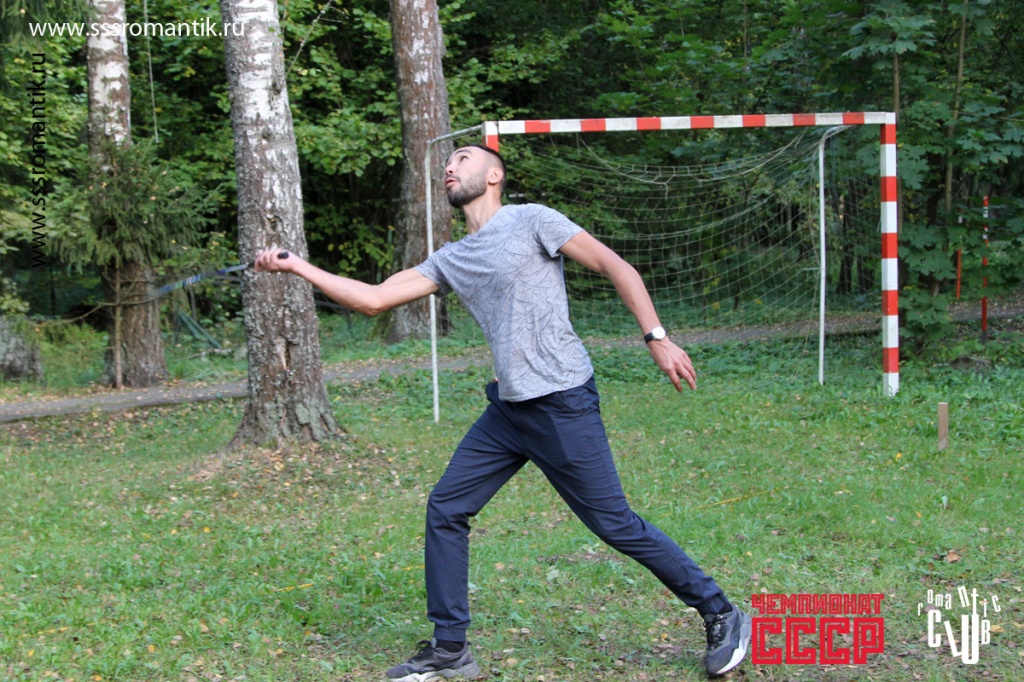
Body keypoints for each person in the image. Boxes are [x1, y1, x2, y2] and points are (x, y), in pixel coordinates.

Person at [254, 144, 752, 680]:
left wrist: (656, 337)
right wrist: (297, 266)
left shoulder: (531, 220)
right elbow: (372, 298)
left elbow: (614, 265)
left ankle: (721, 612)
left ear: (494, 175)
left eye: (462, 158)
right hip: (509, 410)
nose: (450, 166)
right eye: (447, 162)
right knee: (446, 508)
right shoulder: (451, 258)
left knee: (614, 524)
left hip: (560, 400)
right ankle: (450, 649)